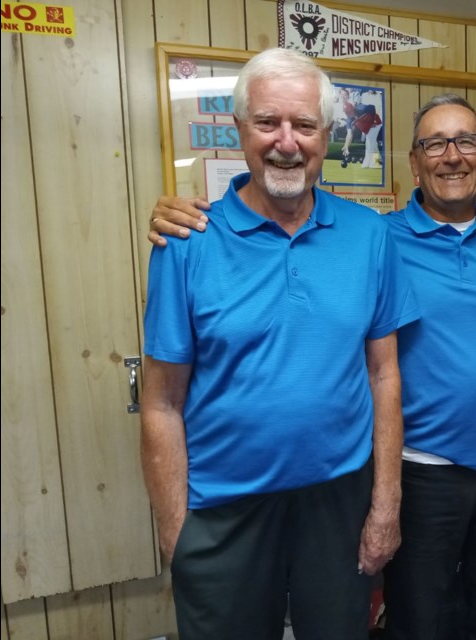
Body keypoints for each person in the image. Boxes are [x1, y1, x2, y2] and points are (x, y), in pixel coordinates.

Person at [149, 93, 476, 640]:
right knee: (420, 620)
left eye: (466, 141)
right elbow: (297, 213)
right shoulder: (377, 238)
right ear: (414, 160)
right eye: (435, 143)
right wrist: (182, 211)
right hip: (422, 469)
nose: (452, 155)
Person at [139, 47, 420, 640]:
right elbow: (161, 402)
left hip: (338, 500)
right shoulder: (187, 243)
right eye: (268, 122)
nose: (286, 141)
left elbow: (385, 375)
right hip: (224, 507)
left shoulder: (370, 235)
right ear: (240, 128)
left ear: (327, 134)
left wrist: (385, 505)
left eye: (304, 125)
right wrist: (176, 531)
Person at [340, 87, 384, 168]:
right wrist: (346, 146)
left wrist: (373, 120)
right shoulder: (349, 119)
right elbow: (349, 134)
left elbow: (372, 107)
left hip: (375, 123)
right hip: (367, 128)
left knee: (371, 142)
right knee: (370, 143)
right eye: (346, 113)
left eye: (349, 112)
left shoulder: (361, 108)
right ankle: (373, 163)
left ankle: (373, 163)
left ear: (352, 110)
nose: (348, 114)